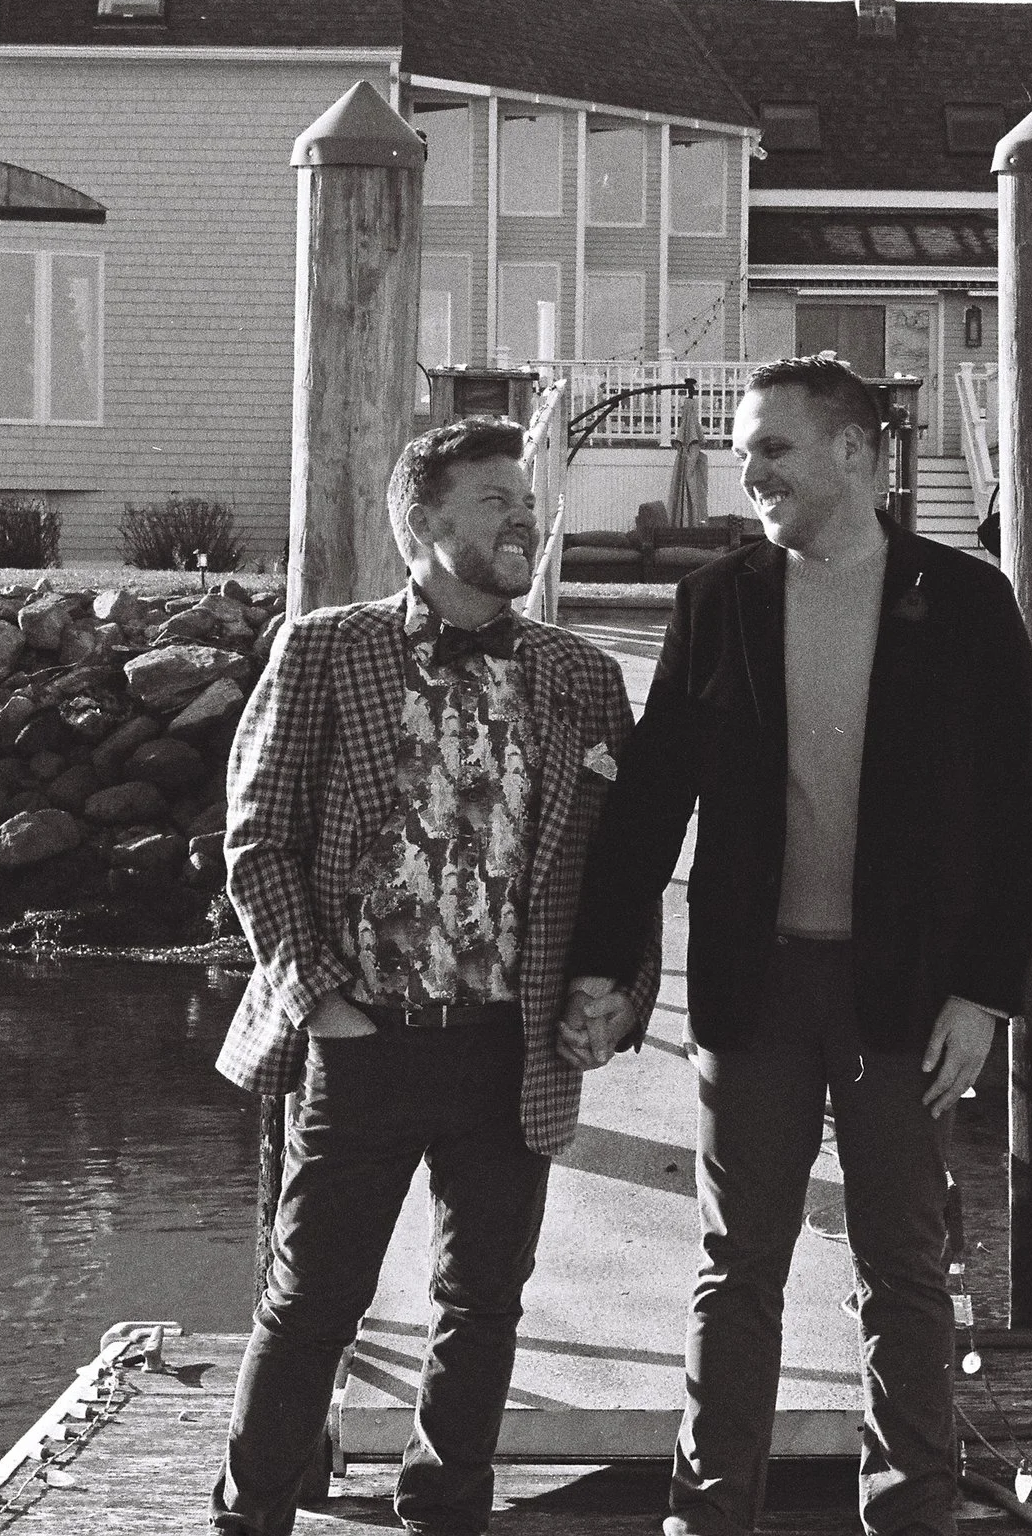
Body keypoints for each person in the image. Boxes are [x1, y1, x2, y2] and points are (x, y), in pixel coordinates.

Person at [565, 355, 1032, 1536]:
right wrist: (601, 961)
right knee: (739, 1267)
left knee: (902, 1267)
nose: (751, 474)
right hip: (753, 983)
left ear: (855, 453)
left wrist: (984, 994)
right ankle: (709, 1513)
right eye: (744, 454)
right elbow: (648, 802)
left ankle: (910, 1513)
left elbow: (1023, 810)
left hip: (906, 992)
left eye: (772, 449)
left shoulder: (968, 600)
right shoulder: (717, 600)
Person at [210, 420, 655, 1536]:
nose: (525, 517)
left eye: (527, 498)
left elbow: (620, 867)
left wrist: (621, 992)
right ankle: (249, 1513)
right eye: (497, 498)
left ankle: (445, 1509)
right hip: (366, 1035)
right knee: (313, 1300)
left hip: (513, 1042)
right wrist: (320, 1000)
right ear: (424, 523)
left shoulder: (581, 676)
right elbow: (256, 838)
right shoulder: (324, 648)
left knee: (484, 1302)